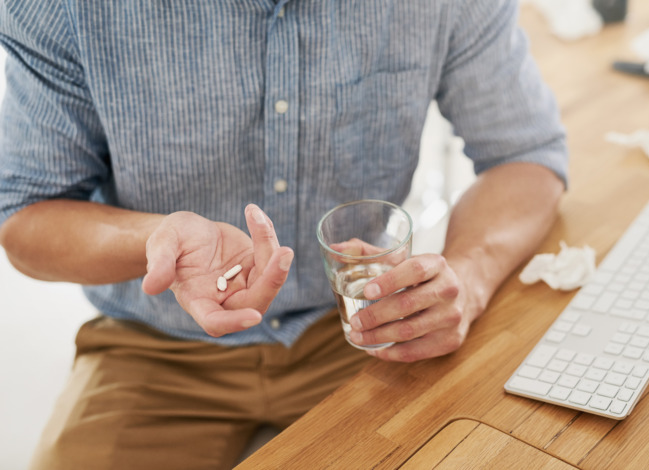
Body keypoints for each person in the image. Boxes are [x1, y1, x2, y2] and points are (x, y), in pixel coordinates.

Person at [0, 0, 568, 469]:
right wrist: (157, 239)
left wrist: (468, 277)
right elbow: (26, 216)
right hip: (154, 347)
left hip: (363, 329)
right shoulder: (65, 10)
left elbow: (525, 155)